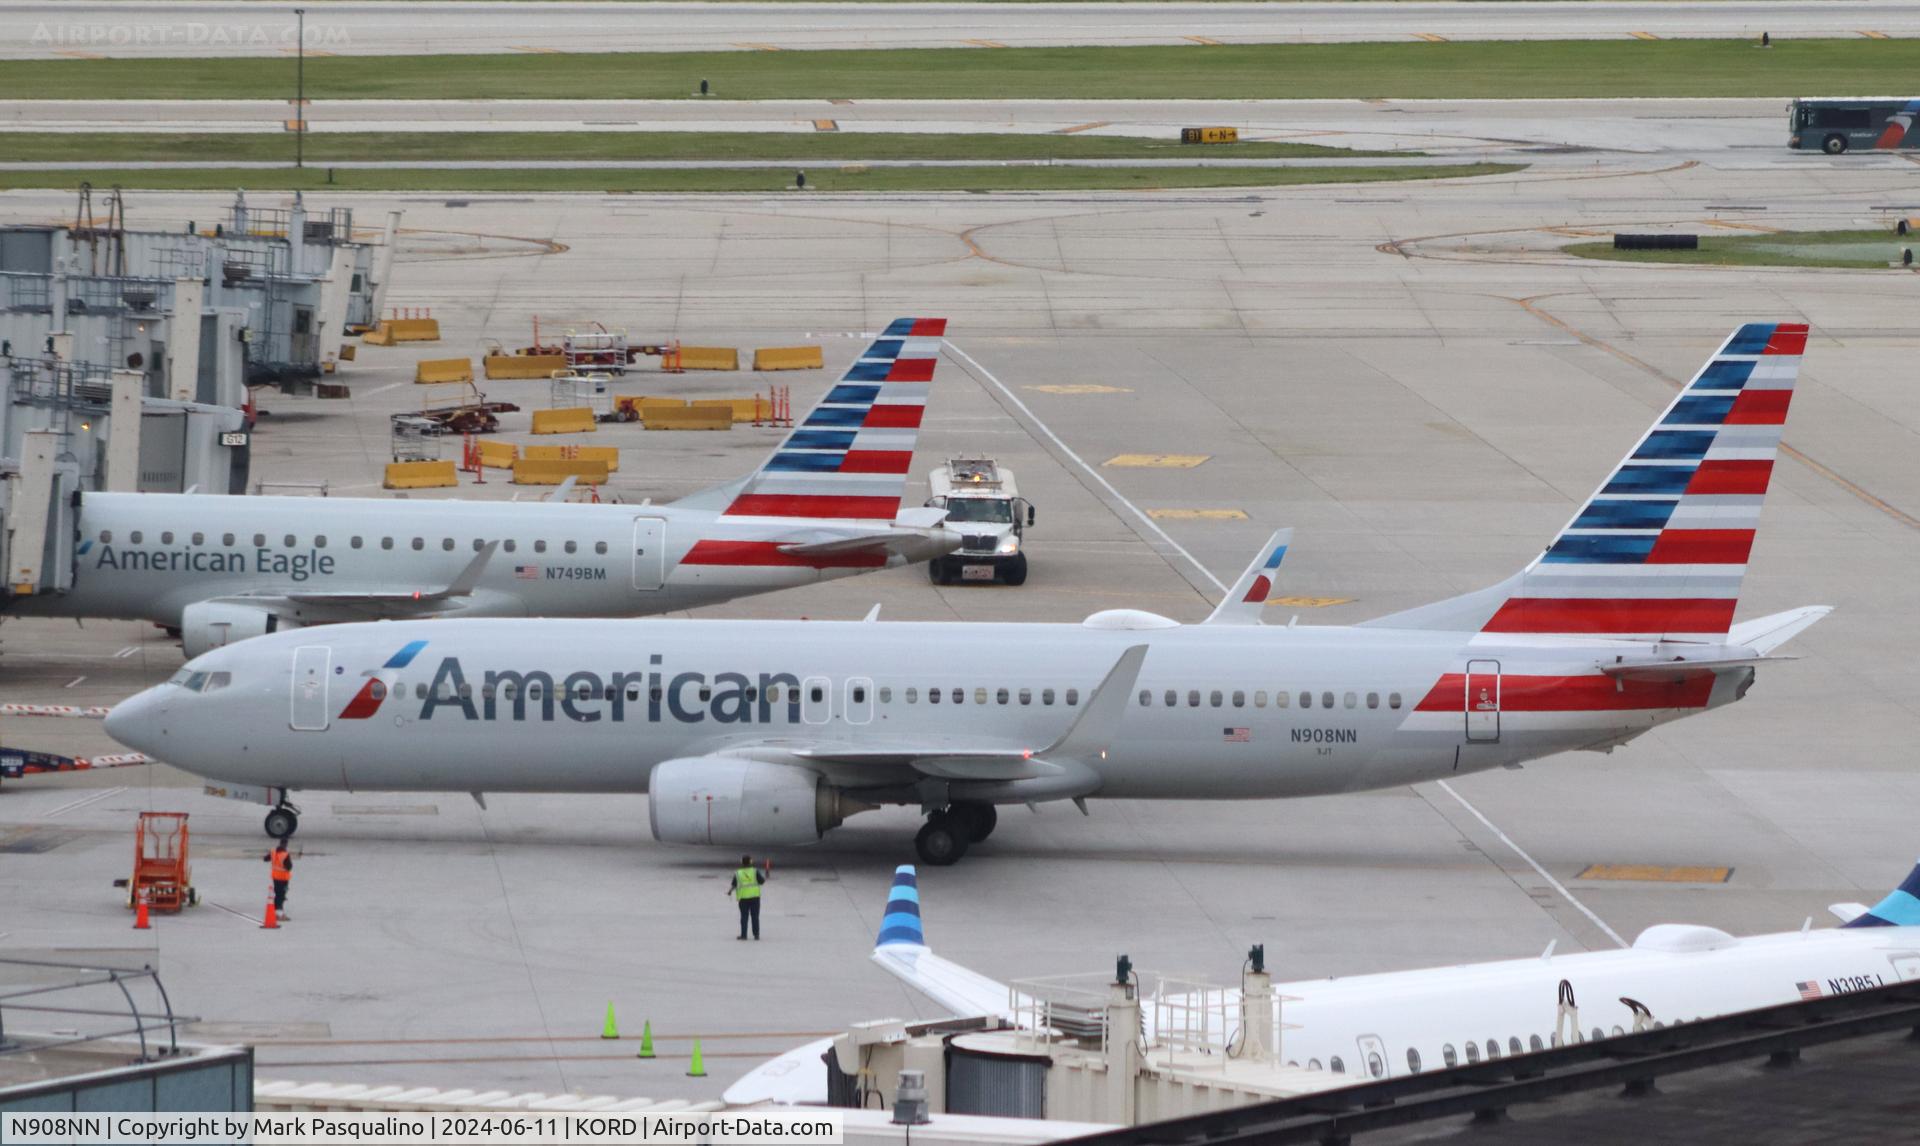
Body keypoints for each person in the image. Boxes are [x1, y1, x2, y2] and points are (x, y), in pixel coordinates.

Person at [727, 854, 770, 940]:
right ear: (751, 862)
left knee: (744, 917)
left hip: (743, 898)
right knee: (755, 916)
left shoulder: (738, 873)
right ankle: (756, 935)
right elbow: (762, 882)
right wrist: (766, 876)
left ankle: (743, 935)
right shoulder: (755, 871)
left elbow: (734, 884)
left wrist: (730, 891)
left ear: (741, 862)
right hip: (755, 897)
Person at [263, 836, 293, 920]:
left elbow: (265, 859)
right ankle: (279, 914)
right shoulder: (285, 855)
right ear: (286, 844)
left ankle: (275, 911)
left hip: (275, 877)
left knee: (277, 894)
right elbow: (289, 867)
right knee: (281, 895)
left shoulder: (273, 852)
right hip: (283, 878)